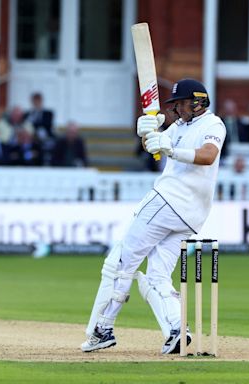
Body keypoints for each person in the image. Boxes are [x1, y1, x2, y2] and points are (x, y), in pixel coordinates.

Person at [80, 78, 226, 354]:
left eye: (180, 104)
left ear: (197, 102)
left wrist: (169, 148)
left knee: (120, 264)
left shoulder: (213, 124)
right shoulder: (180, 126)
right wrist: (148, 133)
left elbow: (207, 156)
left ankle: (104, 329)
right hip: (190, 216)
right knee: (158, 276)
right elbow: (155, 148)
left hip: (168, 201)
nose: (176, 109)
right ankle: (177, 330)